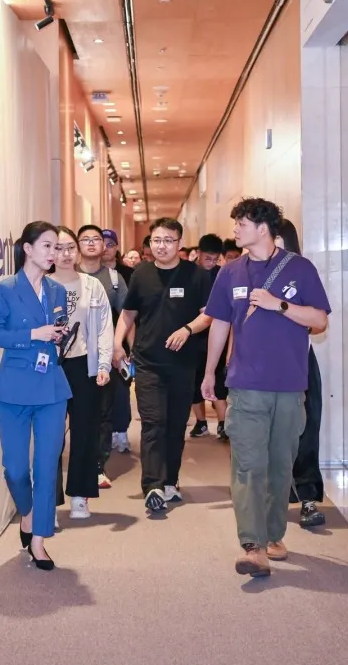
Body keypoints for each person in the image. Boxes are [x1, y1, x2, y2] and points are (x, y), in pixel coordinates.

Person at [202, 198, 331, 577]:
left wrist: (280, 305)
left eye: (241, 223)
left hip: (290, 386)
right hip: (245, 385)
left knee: (279, 466)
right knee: (248, 465)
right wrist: (209, 373)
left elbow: (320, 320)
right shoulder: (230, 273)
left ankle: (274, 535)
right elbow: (220, 324)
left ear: (263, 228)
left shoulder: (300, 269)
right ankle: (253, 546)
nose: (235, 230)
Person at [0, 221, 72, 571]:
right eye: (48, 246)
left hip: (51, 388)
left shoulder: (57, 290)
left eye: (58, 247)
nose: (55, 253)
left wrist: (59, 336)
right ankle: (29, 512)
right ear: (28, 249)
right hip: (15, 388)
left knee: (47, 465)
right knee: (16, 468)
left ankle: (39, 539)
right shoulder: (4, 289)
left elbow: (58, 331)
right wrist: (35, 333)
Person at [114, 217, 212, 513]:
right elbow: (128, 314)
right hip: (148, 363)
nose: (162, 246)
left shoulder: (196, 275)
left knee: (176, 424)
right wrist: (118, 344)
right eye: (157, 240)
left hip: (183, 364)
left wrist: (188, 330)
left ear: (180, 243)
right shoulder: (141, 274)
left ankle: (170, 481)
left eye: (168, 240)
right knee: (153, 422)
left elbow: (208, 314)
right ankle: (153, 485)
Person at [50, 226, 113, 520]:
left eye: (70, 248)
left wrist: (103, 364)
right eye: (58, 248)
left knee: (85, 432)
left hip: (83, 365)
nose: (65, 254)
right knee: (51, 434)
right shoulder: (41, 284)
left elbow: (104, 327)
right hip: (51, 366)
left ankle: (79, 495)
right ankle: (49, 500)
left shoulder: (91, 285)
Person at [274, 219, 326, 528]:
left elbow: (318, 323)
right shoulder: (246, 272)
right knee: (270, 436)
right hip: (260, 366)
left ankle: (308, 497)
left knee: (307, 429)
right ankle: (274, 497)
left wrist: (284, 310)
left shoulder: (303, 272)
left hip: (299, 360)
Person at [76, 225, 131, 484]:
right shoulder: (64, 276)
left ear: (105, 246)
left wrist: (122, 347)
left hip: (103, 355)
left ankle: (98, 465)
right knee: (73, 412)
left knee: (103, 411)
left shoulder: (114, 279)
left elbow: (128, 315)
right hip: (71, 357)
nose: (91, 243)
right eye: (85, 239)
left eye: (96, 239)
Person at [188, 234, 229, 440]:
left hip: (217, 335)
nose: (211, 263)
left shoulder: (222, 275)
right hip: (194, 336)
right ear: (199, 253)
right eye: (207, 258)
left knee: (218, 381)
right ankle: (201, 422)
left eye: (215, 259)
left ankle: (223, 424)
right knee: (194, 381)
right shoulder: (189, 273)